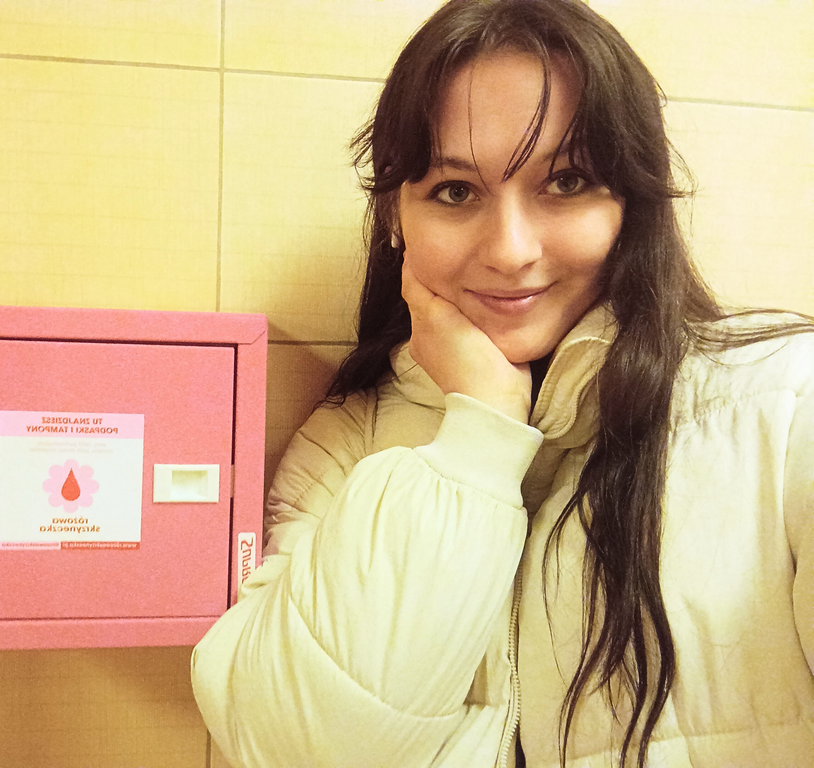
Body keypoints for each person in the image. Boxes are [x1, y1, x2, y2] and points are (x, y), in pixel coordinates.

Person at [191, 0, 814, 766]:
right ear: (395, 216)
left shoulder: (784, 408)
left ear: (633, 205)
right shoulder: (345, 445)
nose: (512, 249)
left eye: (568, 181)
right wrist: (479, 438)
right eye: (456, 191)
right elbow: (293, 747)